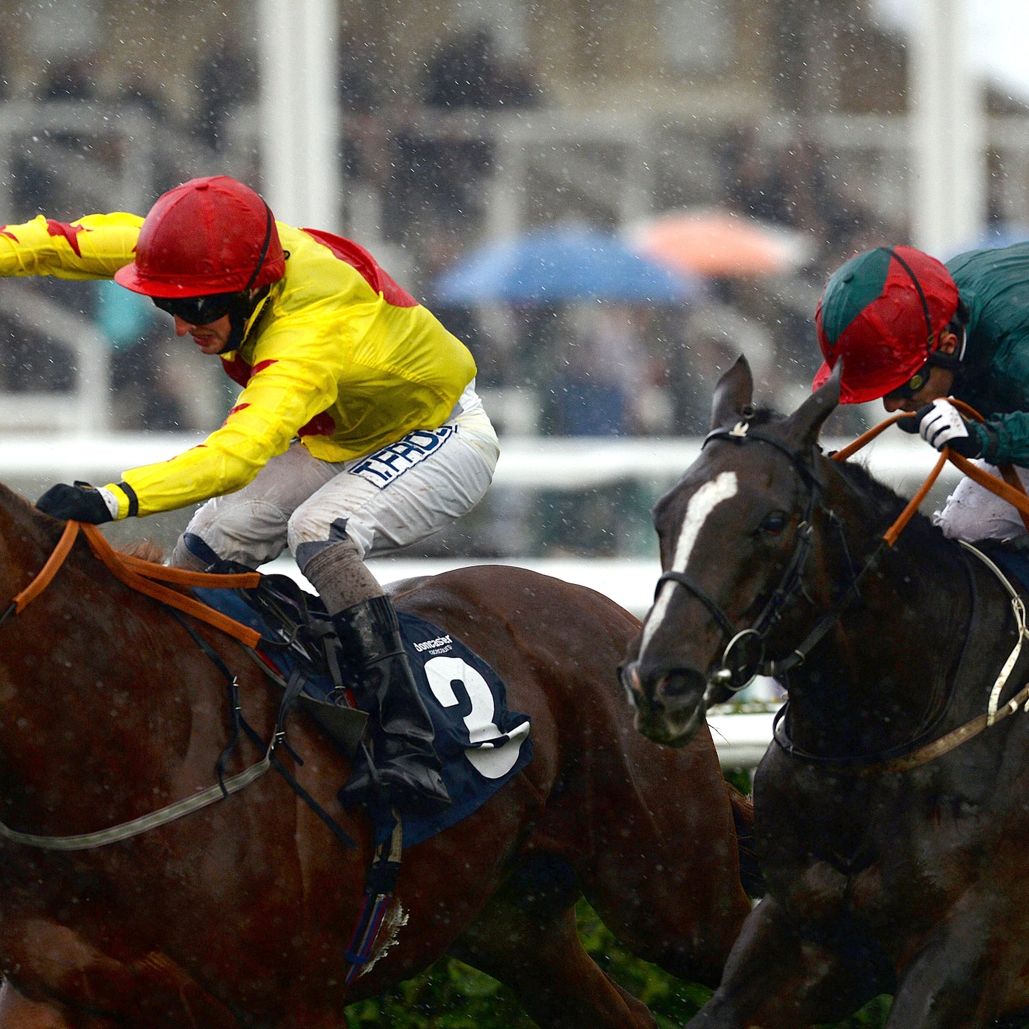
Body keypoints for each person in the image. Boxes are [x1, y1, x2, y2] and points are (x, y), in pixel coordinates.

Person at [2, 175, 500, 814]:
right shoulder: (210, 258)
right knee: (204, 550)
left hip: (442, 433)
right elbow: (55, 243)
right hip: (339, 434)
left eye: (196, 309)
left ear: (252, 290)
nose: (180, 326)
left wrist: (112, 500)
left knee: (320, 531)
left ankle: (409, 742)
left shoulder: (308, 331)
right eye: (167, 305)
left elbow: (236, 456)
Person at [812, 242, 1029, 542]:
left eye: (906, 385)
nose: (892, 406)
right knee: (964, 534)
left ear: (948, 346)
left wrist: (988, 438)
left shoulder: (1014, 354)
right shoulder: (936, 303)